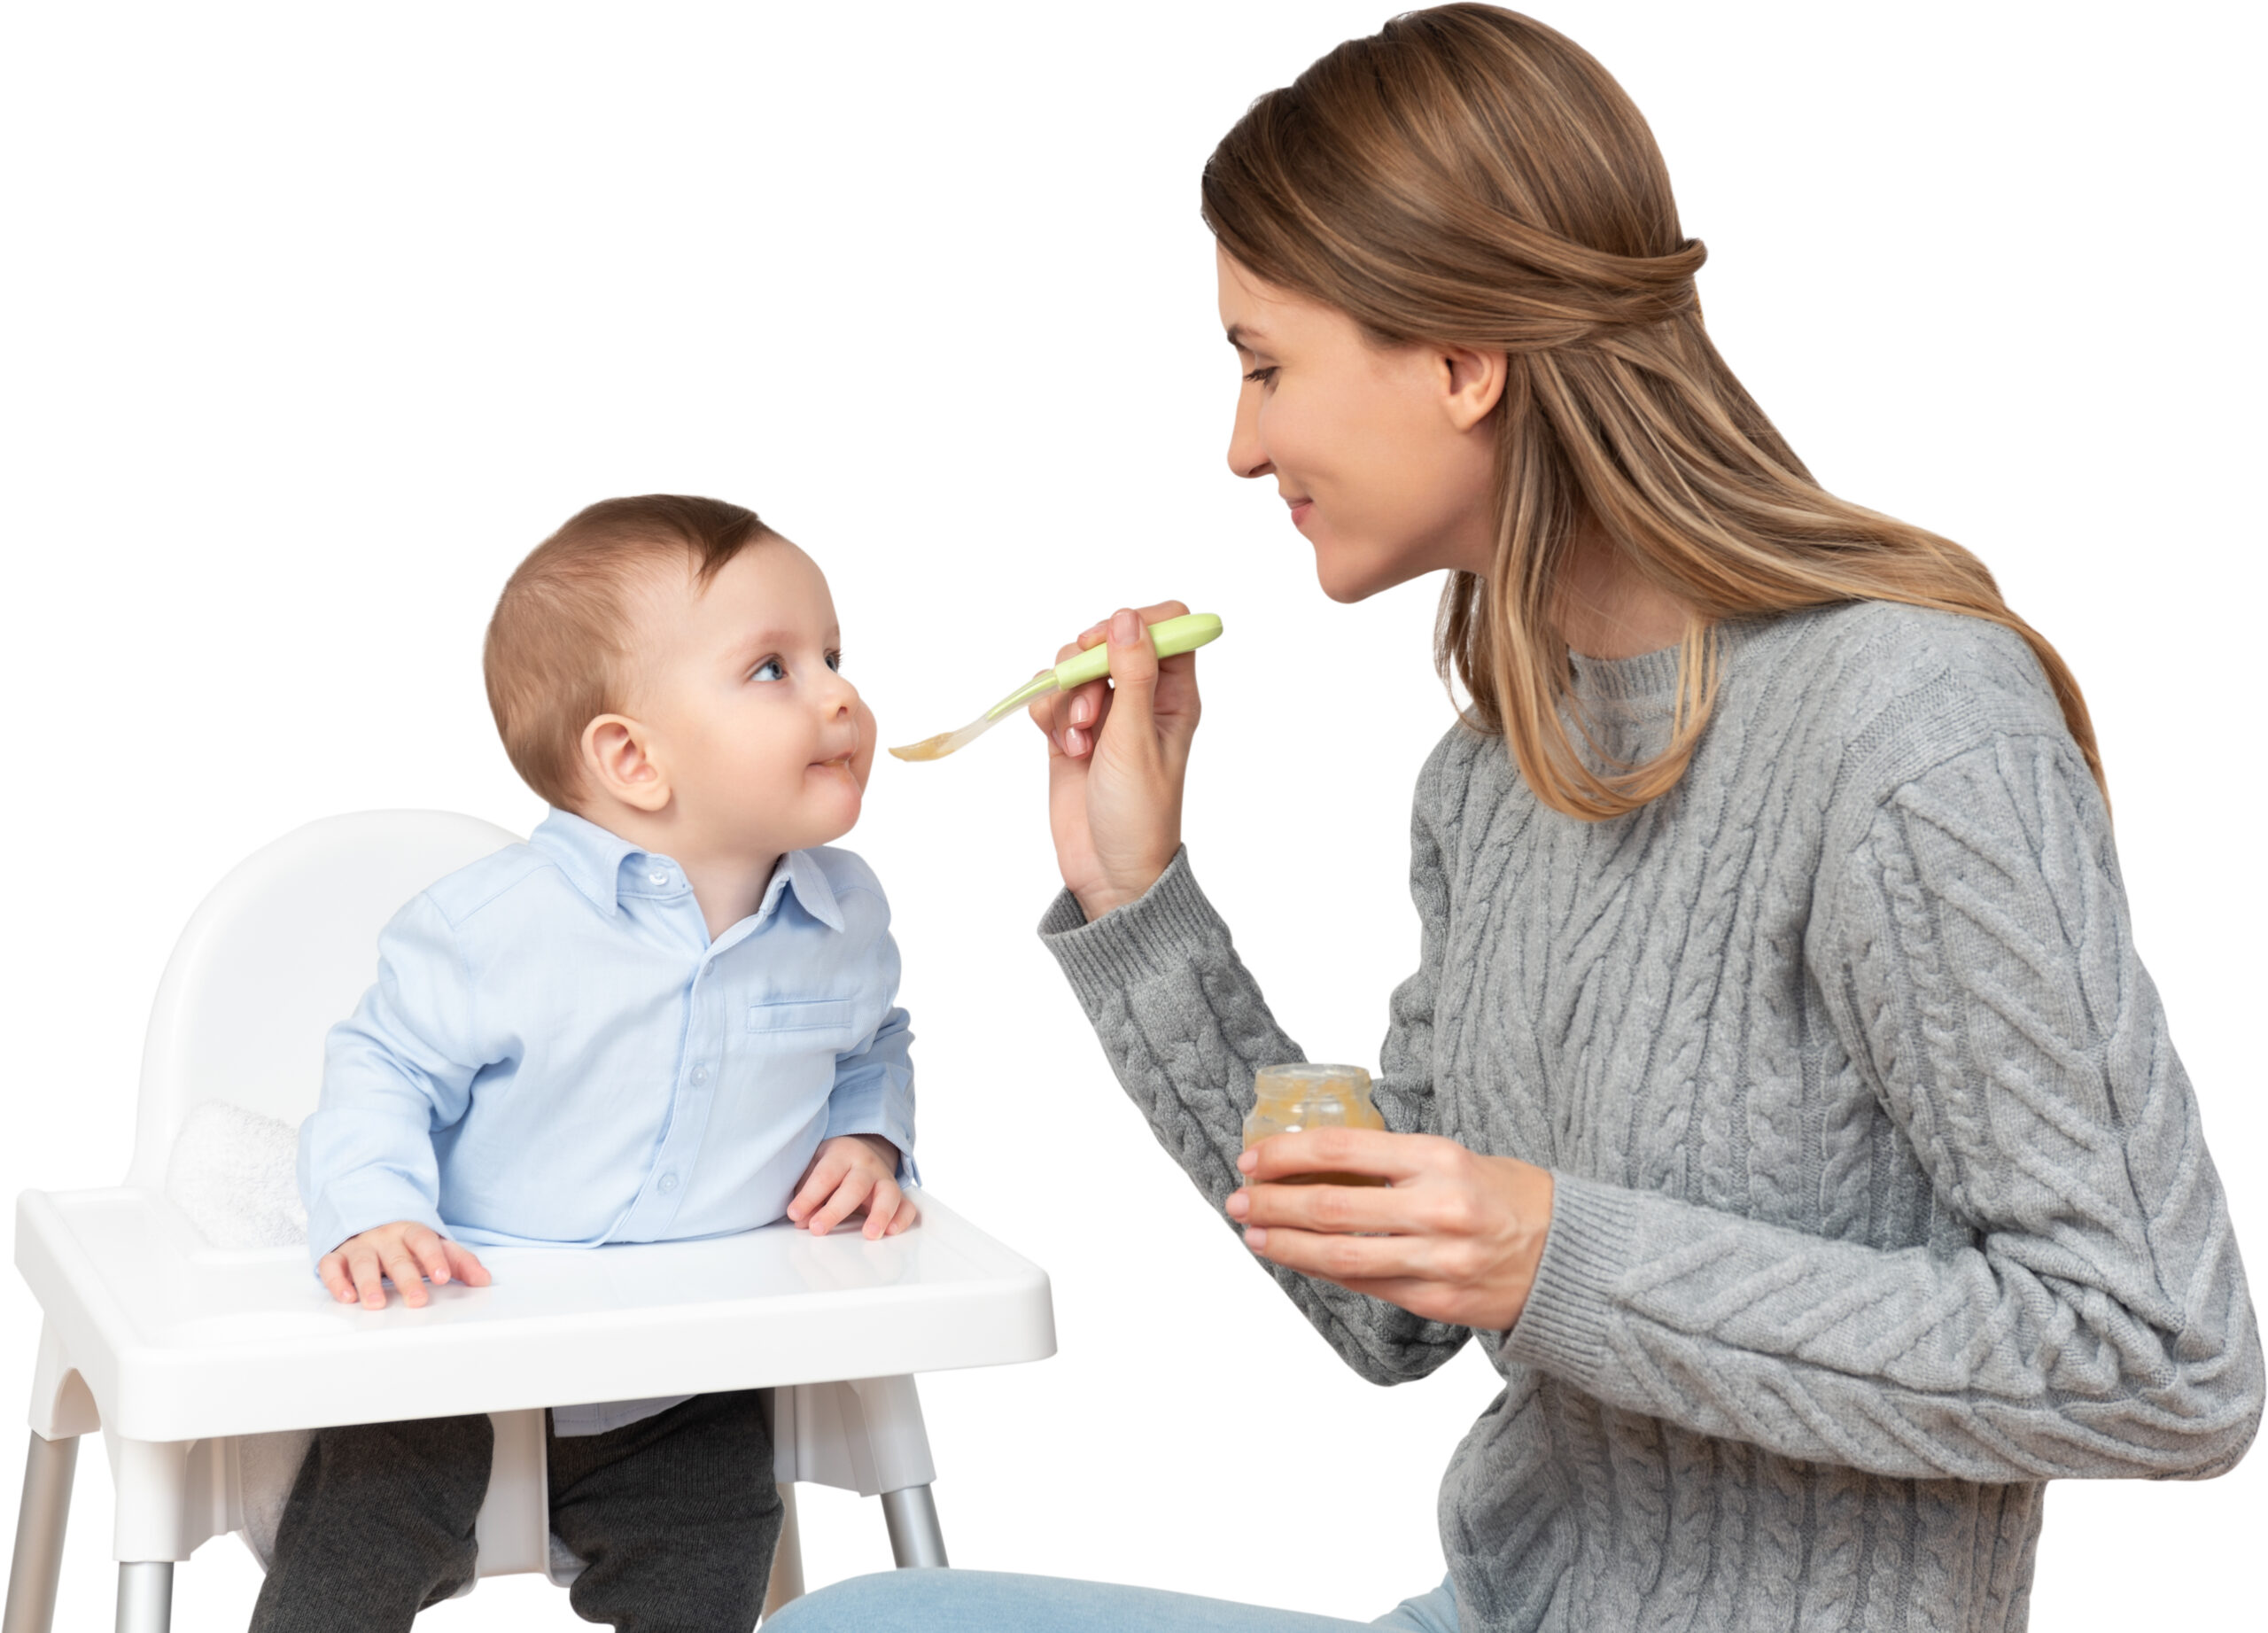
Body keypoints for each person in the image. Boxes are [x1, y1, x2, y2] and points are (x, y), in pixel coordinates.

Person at [767, 5, 2262, 1632]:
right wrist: (1143, 905)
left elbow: (2165, 1359)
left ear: (1466, 363)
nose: (1243, 441)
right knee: (862, 1622)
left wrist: (1566, 1253)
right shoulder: (1493, 771)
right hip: (1495, 1608)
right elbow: (1397, 1315)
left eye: (1268, 365)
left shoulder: (1909, 726)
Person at [261, 494, 918, 1633]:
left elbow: (869, 1043)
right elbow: (382, 1068)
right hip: (457, 1329)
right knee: (364, 1529)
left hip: (685, 1361)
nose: (838, 693)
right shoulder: (495, 928)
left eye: (834, 655)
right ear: (630, 757)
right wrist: (373, 1214)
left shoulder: (842, 912)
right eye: (773, 669)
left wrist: (867, 1137)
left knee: (713, 1531)